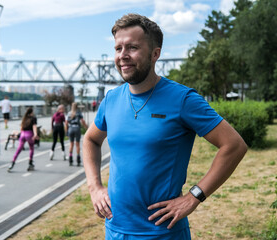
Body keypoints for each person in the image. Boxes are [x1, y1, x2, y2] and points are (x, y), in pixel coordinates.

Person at [83, 13, 248, 240]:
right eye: (118, 48)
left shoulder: (183, 99)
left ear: (155, 54)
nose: (123, 56)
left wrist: (194, 197)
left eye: (132, 47)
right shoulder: (111, 99)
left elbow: (234, 145)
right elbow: (90, 140)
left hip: (162, 233)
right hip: (115, 230)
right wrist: (95, 187)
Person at [8, 108, 38, 172]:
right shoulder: (33, 118)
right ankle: (30, 163)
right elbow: (34, 126)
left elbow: (21, 128)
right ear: (31, 112)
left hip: (23, 134)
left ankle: (12, 162)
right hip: (29, 134)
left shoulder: (24, 118)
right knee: (31, 148)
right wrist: (35, 134)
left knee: (19, 149)